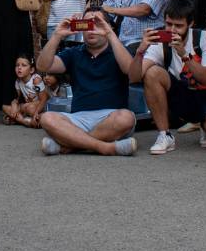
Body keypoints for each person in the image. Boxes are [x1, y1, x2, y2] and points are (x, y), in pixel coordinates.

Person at [130, 0, 206, 153]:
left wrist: (184, 54)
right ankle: (164, 135)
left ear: (191, 23)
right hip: (185, 95)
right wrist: (140, 51)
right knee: (152, 73)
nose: (172, 30)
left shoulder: (204, 38)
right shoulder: (161, 41)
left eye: (178, 26)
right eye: (168, 24)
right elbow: (134, 78)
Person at [36, 16, 138, 156]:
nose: (92, 30)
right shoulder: (74, 53)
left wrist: (110, 35)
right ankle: (104, 147)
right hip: (79, 118)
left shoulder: (119, 50)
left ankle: (71, 145)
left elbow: (130, 71)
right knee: (47, 118)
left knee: (126, 118)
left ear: (108, 27)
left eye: (97, 24)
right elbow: (42, 65)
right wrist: (57, 35)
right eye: (87, 25)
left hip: (112, 116)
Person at [1, 55, 49, 127]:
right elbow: (17, 99)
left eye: (23, 65)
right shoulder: (18, 81)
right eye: (17, 65)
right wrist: (14, 106)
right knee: (5, 107)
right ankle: (26, 121)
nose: (19, 68)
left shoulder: (36, 80)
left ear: (31, 70)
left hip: (39, 107)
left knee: (29, 108)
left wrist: (36, 113)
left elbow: (44, 99)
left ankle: (20, 120)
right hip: (27, 106)